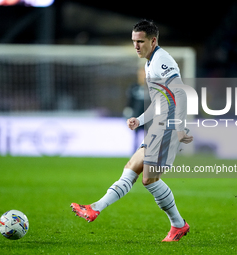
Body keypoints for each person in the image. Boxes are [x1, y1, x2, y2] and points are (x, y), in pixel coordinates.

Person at [71, 20, 193, 242]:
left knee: (149, 179)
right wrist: (140, 119)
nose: (136, 46)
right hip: (159, 124)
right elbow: (160, 100)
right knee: (132, 168)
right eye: (134, 41)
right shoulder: (149, 63)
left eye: (141, 41)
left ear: (153, 40)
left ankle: (178, 224)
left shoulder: (161, 60)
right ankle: (95, 208)